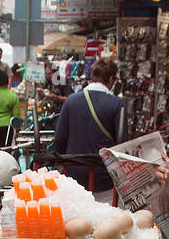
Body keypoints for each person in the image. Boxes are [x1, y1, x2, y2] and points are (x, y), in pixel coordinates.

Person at [51, 56, 127, 198]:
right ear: (111, 79)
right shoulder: (117, 104)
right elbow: (122, 145)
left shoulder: (71, 101)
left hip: (73, 175)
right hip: (103, 177)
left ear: (92, 76)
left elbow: (60, 139)